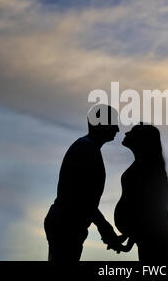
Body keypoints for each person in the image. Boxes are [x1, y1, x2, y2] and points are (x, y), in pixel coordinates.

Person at [44, 104, 125, 262]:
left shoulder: (88, 148)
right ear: (101, 124)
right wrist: (104, 227)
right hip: (66, 226)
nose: (117, 129)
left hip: (68, 225)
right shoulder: (86, 149)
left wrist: (104, 228)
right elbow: (80, 197)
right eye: (113, 123)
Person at [113, 123, 168, 261]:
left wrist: (129, 239)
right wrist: (129, 237)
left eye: (132, 132)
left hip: (152, 234)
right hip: (148, 234)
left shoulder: (145, 169)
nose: (127, 133)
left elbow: (145, 210)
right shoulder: (143, 166)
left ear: (142, 140)